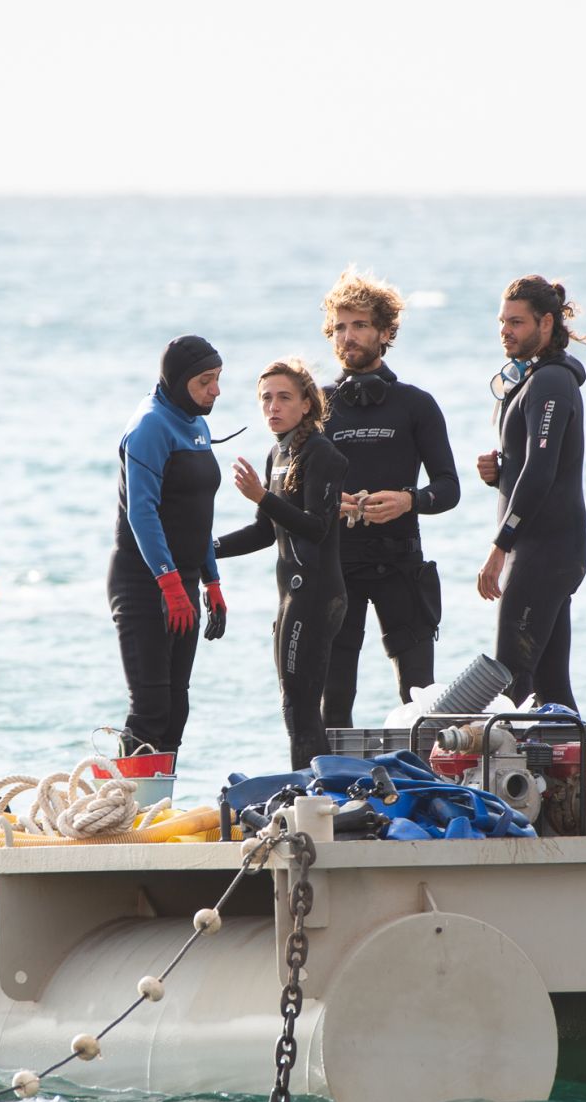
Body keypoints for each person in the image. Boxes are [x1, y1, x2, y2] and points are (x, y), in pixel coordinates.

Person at [318, 270, 460, 727]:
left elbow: (448, 487)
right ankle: (327, 790)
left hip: (400, 565)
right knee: (334, 697)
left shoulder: (415, 405)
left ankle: (422, 786)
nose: (348, 335)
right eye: (339, 327)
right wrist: (324, 502)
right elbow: (286, 487)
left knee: (420, 697)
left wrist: (408, 501)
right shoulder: (317, 405)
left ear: (384, 331)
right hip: (337, 567)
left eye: (359, 324)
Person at [216, 359, 351, 770]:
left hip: (315, 596)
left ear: (307, 404)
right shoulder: (278, 452)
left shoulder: (321, 454)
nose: (273, 406)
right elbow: (264, 531)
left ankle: (313, 800)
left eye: (284, 397)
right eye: (266, 398)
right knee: (295, 704)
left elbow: (316, 527)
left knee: (302, 707)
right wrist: (206, 550)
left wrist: (261, 496)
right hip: (291, 597)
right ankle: (311, 795)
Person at [475, 275, 586, 710]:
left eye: (517, 322)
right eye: (502, 321)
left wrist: (499, 546)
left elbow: (542, 472)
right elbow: (536, 467)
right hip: (549, 548)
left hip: (545, 550)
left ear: (546, 323)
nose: (506, 331)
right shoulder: (536, 380)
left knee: (511, 684)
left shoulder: (550, 382)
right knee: (551, 689)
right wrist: (499, 474)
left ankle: (511, 779)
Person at [110, 335, 228, 757]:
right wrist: (170, 585)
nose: (215, 390)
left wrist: (211, 581)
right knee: (150, 710)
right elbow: (142, 513)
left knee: (176, 707)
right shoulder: (150, 426)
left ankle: (157, 809)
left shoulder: (197, 422)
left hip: (184, 582)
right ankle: (127, 815)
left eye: (217, 379)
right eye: (205, 381)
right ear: (178, 382)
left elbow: (200, 513)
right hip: (145, 583)